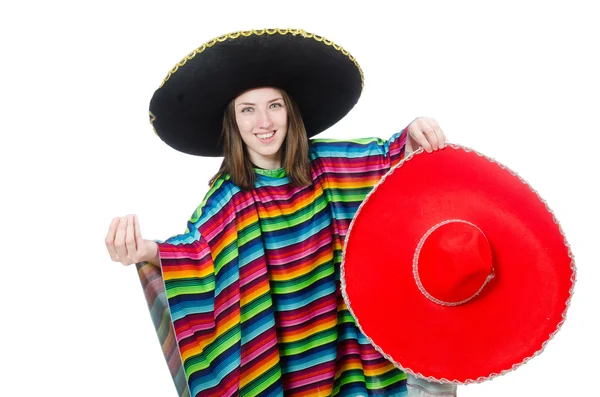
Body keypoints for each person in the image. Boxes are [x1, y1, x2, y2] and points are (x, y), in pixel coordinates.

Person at [105, 29, 456, 397]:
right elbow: (196, 253)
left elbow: (387, 159)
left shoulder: (329, 165)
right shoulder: (227, 199)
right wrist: (143, 251)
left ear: (290, 110)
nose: (264, 122)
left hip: (346, 348)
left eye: (274, 105)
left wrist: (414, 134)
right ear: (233, 122)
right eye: (247, 109)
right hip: (281, 360)